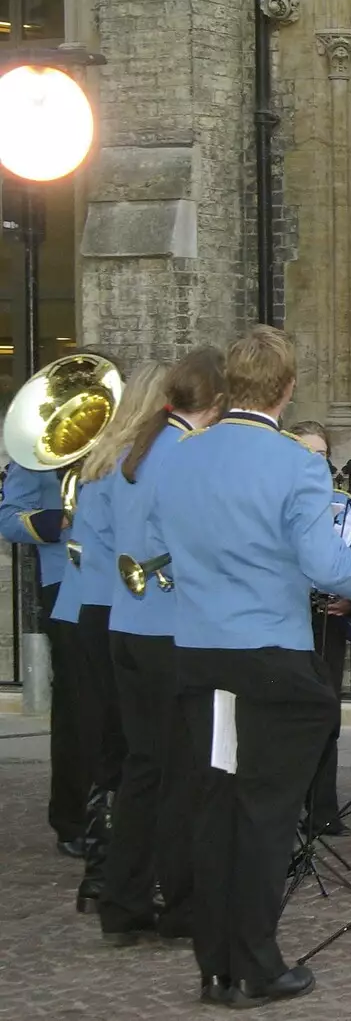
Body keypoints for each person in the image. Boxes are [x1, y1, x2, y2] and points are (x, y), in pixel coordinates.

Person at [150, 326, 351, 1008]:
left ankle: (215, 964)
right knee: (262, 814)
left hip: (199, 651)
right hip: (267, 655)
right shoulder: (293, 462)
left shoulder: (183, 455)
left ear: (230, 386)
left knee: (217, 807)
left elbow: (161, 542)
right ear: (287, 389)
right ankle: (255, 963)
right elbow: (324, 566)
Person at [99, 346, 227, 946]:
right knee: (183, 777)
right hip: (172, 631)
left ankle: (122, 902)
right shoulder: (186, 456)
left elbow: (116, 532)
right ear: (219, 402)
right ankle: (181, 905)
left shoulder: (134, 450)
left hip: (128, 624)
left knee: (143, 771)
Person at [49, 360, 169, 915]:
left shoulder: (102, 461)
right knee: (132, 748)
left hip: (92, 608)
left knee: (113, 748)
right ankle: (116, 872)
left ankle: (103, 871)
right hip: (121, 607)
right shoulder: (135, 465)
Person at [0, 421, 90, 857]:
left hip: (120, 585)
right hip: (66, 583)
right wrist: (57, 522)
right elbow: (8, 516)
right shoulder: (38, 454)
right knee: (77, 705)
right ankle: (73, 819)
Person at [287, 419, 351, 838]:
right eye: (305, 453)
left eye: (320, 455)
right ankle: (288, 804)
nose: (314, 462)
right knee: (287, 716)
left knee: (326, 715)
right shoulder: (278, 500)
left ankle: (322, 808)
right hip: (288, 618)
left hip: (328, 621)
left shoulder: (345, 504)